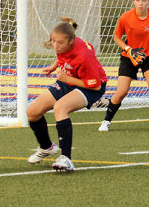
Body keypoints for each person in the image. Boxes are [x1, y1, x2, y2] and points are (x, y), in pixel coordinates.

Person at [27, 17, 107, 172]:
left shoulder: (84, 55)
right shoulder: (63, 45)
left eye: (60, 42)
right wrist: (53, 67)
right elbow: (63, 58)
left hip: (89, 87)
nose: (55, 46)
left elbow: (95, 86)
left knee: (60, 107)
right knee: (32, 112)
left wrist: (66, 78)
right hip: (69, 80)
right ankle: (46, 147)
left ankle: (66, 159)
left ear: (71, 41)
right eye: (53, 41)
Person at [98, 0, 149, 134]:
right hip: (129, 56)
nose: (140, 3)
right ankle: (106, 121)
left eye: (144, 0)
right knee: (121, 91)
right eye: (138, 0)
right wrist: (128, 49)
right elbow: (116, 37)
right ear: (133, 2)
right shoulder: (126, 17)